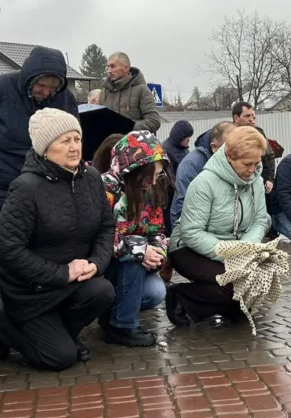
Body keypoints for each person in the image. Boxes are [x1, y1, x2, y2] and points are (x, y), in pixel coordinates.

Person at [0, 109, 116, 370]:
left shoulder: (91, 178)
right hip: (31, 291)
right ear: (44, 148)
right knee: (60, 358)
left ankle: (61, 334)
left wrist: (97, 262)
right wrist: (62, 273)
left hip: (73, 283)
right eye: (65, 141)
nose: (74, 147)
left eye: (77, 139)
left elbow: (106, 227)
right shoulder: (26, 188)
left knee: (103, 291)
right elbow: (9, 249)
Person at [0, 46, 78, 223]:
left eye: (53, 88)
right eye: (41, 86)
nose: (47, 92)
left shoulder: (65, 98)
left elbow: (74, 139)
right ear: (30, 78)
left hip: (47, 186)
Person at [167, 126, 270, 324]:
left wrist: (246, 248)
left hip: (235, 247)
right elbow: (191, 232)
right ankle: (182, 297)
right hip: (188, 249)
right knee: (234, 281)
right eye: (247, 164)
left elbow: (260, 220)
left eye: (257, 163)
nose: (252, 170)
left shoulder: (256, 180)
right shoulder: (204, 183)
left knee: (260, 275)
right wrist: (231, 253)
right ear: (230, 157)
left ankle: (229, 305)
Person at [101, 131, 170, 346]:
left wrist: (158, 253)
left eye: (158, 175)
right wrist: (140, 250)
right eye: (151, 176)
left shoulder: (150, 191)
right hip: (104, 266)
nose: (154, 181)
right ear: (134, 169)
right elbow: (96, 236)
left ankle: (113, 314)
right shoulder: (104, 189)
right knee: (135, 254)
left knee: (156, 292)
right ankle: (123, 325)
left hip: (133, 269)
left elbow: (157, 231)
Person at [170, 122, 234, 227]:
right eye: (229, 151)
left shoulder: (242, 163)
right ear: (214, 147)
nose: (235, 156)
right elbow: (182, 205)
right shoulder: (191, 164)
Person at [101, 52, 161, 133]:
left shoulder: (142, 90)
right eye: (108, 67)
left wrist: (127, 127)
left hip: (133, 141)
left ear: (126, 68)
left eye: (113, 66)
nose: (109, 71)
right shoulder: (104, 92)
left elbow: (153, 121)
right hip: (110, 141)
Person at [232, 102, 275, 193]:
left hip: (262, 183)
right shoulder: (229, 135)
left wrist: (270, 179)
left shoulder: (258, 132)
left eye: (253, 116)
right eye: (247, 116)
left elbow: (270, 155)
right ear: (236, 118)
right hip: (238, 185)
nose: (251, 119)